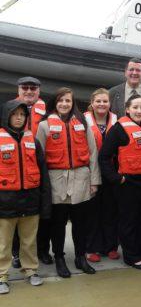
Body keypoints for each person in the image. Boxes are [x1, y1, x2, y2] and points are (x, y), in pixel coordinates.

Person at [36, 87, 101, 278]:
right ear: (55, 103)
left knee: (81, 224)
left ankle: (81, 257)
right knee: (58, 224)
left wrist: (94, 181)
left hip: (81, 179)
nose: (64, 104)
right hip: (56, 182)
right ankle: (59, 257)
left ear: (73, 104)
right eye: (61, 100)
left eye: (68, 101)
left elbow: (93, 153)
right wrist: (42, 187)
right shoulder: (44, 126)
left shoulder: (82, 122)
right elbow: (38, 159)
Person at [99, 94, 141, 270]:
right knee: (129, 220)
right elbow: (104, 157)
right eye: (135, 107)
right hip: (128, 182)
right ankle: (131, 256)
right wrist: (117, 178)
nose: (139, 111)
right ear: (127, 109)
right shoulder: (119, 129)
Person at [0, 100, 51, 295]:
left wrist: (44, 201)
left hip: (31, 200)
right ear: (6, 116)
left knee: (29, 241)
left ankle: (30, 270)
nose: (19, 117)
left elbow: (43, 173)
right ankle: (2, 275)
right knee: (3, 242)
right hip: (5, 201)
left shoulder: (33, 141)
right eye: (15, 114)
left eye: (22, 114)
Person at [13, 77, 51, 268]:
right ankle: (16, 253)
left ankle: (43, 249)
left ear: (38, 91)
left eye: (33, 88)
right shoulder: (9, 110)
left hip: (41, 165)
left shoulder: (47, 112)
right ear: (19, 90)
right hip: (17, 168)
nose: (29, 91)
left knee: (42, 211)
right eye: (25, 88)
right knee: (16, 214)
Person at [84, 88, 119, 263]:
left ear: (109, 103)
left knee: (110, 211)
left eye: (105, 101)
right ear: (92, 103)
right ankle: (91, 247)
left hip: (111, 172)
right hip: (91, 172)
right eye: (98, 101)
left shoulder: (116, 120)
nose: (102, 104)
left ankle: (111, 246)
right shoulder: (83, 120)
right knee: (92, 212)